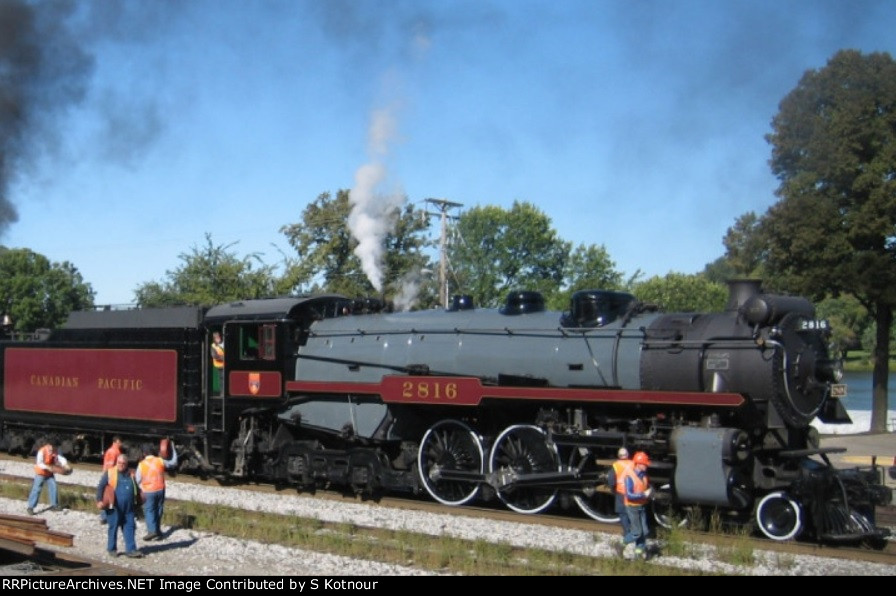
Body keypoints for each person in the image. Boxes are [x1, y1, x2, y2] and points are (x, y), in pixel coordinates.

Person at [96, 454, 144, 558]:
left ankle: (131, 550)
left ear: (127, 464)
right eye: (119, 463)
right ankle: (112, 549)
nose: (121, 465)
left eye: (123, 463)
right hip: (114, 507)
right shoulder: (110, 473)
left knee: (130, 527)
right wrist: (99, 500)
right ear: (116, 463)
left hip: (129, 508)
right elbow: (101, 486)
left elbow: (136, 488)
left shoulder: (131, 474)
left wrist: (140, 501)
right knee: (113, 527)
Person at [135, 441, 178, 541]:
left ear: (144, 453)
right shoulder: (159, 461)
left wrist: (140, 489)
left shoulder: (141, 465)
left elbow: (137, 480)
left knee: (149, 510)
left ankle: (152, 531)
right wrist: (173, 448)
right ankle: (158, 531)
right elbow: (173, 462)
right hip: (160, 489)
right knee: (159, 510)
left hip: (148, 491)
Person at [623, 451, 653, 559]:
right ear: (638, 464)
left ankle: (639, 552)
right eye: (645, 464)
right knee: (636, 533)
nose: (646, 466)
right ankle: (622, 544)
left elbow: (646, 486)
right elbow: (629, 494)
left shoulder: (643, 475)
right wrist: (643, 494)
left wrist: (650, 492)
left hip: (642, 505)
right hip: (632, 507)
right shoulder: (629, 477)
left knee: (644, 531)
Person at [26, 442, 69, 515]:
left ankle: (54, 505)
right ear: (48, 445)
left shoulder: (55, 450)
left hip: (49, 473)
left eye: (55, 447)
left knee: (53, 487)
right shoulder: (42, 451)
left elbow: (60, 458)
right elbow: (39, 463)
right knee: (37, 489)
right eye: (53, 447)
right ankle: (30, 507)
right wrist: (48, 467)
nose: (54, 449)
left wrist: (65, 464)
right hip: (41, 473)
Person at [606, 447, 633, 551]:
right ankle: (633, 531)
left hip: (621, 492)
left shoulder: (616, 465)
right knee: (632, 512)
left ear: (619, 456)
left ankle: (627, 532)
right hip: (632, 492)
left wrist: (613, 489)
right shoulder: (632, 464)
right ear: (627, 455)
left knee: (622, 513)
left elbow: (611, 479)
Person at [100, 436, 124, 525]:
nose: (121, 444)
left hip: (108, 475)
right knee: (109, 496)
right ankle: (105, 516)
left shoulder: (112, 451)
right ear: (116, 442)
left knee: (106, 496)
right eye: (120, 442)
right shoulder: (114, 452)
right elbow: (110, 465)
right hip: (111, 476)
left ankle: (105, 516)